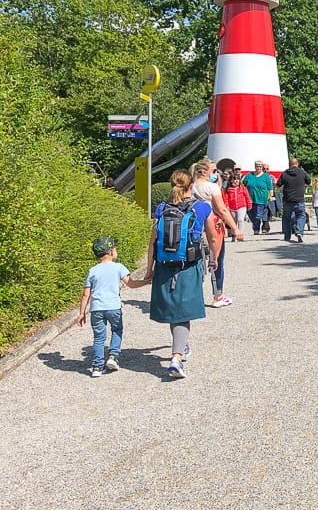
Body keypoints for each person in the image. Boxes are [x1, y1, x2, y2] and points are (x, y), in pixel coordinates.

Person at [141, 169, 222, 379]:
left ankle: (181, 347)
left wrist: (149, 269)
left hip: (164, 265)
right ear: (191, 186)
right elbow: (213, 237)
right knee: (183, 313)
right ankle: (176, 358)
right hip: (189, 265)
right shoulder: (202, 207)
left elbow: (152, 242)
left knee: (173, 310)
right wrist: (214, 259)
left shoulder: (161, 208)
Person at [77, 237, 146, 377]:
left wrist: (82, 313)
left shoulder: (93, 270)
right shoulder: (118, 267)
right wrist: (147, 281)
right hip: (113, 307)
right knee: (117, 330)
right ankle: (113, 356)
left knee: (98, 337)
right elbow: (131, 284)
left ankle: (96, 367)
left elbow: (86, 294)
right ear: (111, 252)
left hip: (96, 308)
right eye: (115, 248)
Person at [191, 157, 243, 308]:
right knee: (216, 261)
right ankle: (218, 295)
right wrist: (235, 228)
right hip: (213, 226)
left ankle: (194, 296)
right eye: (214, 171)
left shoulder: (191, 186)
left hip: (195, 227)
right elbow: (222, 209)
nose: (216, 174)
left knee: (196, 261)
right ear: (204, 172)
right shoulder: (211, 187)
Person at [276, 157, 311, 243]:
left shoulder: (284, 173)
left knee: (286, 218)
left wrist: (275, 183)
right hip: (299, 199)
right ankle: (299, 232)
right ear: (297, 164)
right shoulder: (302, 172)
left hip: (287, 200)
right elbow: (310, 183)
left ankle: (287, 236)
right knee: (301, 216)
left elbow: (278, 186)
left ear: (289, 164)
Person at [244, 160, 274, 235]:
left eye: (260, 166)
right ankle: (255, 226)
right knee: (250, 214)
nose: (258, 168)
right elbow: (243, 185)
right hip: (250, 199)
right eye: (257, 166)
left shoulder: (266, 177)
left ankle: (256, 229)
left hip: (261, 199)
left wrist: (271, 196)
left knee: (258, 216)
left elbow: (270, 188)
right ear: (255, 166)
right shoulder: (249, 176)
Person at [223, 169, 251, 242]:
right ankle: (233, 234)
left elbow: (247, 196)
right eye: (234, 179)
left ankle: (240, 234)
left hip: (241, 206)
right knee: (233, 222)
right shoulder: (228, 189)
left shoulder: (242, 188)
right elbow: (226, 199)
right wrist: (226, 206)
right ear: (231, 181)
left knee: (240, 220)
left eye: (237, 180)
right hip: (232, 207)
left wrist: (249, 204)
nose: (236, 181)